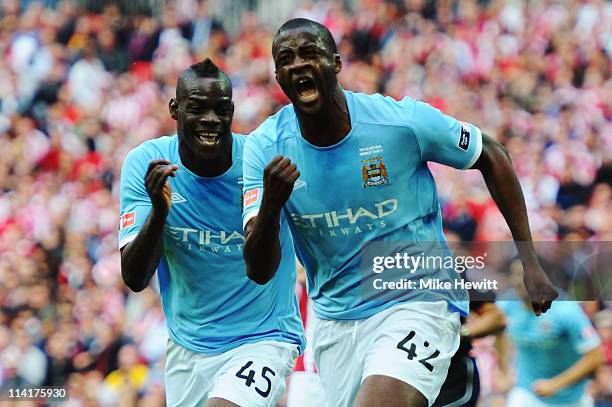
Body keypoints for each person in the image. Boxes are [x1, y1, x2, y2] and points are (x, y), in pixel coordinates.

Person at [241, 17, 558, 407]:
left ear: (336, 63)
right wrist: (271, 205)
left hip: (419, 299)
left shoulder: (399, 123)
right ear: (277, 76)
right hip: (335, 322)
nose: (298, 65)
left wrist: (530, 261)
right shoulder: (264, 148)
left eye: (310, 53)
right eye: (286, 59)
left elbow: (491, 154)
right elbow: (257, 269)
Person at [118, 58, 305, 407]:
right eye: (198, 109)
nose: (211, 120)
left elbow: (262, 271)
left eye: (221, 110)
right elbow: (134, 277)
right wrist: (159, 213)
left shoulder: (258, 161)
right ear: (175, 109)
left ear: (232, 111)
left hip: (262, 339)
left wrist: (272, 206)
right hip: (188, 347)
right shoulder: (148, 162)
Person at [498, 259, 605, 407]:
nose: (515, 281)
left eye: (520, 275)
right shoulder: (507, 305)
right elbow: (497, 330)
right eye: (513, 274)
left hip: (569, 399)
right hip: (526, 394)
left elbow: (596, 356)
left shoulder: (565, 311)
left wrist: (556, 384)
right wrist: (503, 370)